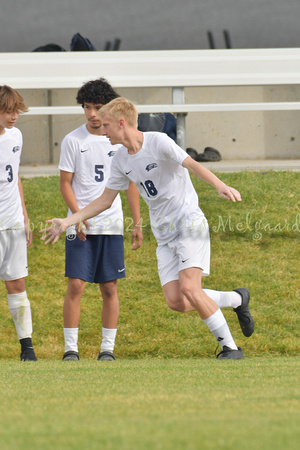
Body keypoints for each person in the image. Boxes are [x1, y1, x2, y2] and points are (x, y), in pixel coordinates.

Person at [41, 97, 254, 360]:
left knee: (190, 289)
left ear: (121, 123)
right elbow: (105, 201)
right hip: (164, 234)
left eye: (106, 125)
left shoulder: (158, 141)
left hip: (187, 222)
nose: (103, 130)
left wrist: (219, 185)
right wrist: (67, 221)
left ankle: (230, 349)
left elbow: (191, 163)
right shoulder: (119, 158)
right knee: (177, 301)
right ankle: (236, 299)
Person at [59, 79, 143, 361]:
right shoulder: (73, 140)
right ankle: (71, 349)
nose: (92, 114)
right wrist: (76, 217)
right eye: (86, 107)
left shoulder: (118, 141)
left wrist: (137, 221)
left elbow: (131, 184)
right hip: (79, 225)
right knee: (76, 285)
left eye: (97, 107)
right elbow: (65, 184)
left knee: (109, 286)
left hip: (111, 224)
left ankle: (107, 349)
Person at [0, 85, 37, 361]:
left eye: (16, 111)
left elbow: (15, 178)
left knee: (17, 284)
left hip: (12, 223)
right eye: (7, 111)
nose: (13, 117)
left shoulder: (16, 136)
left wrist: (24, 215)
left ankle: (27, 348)